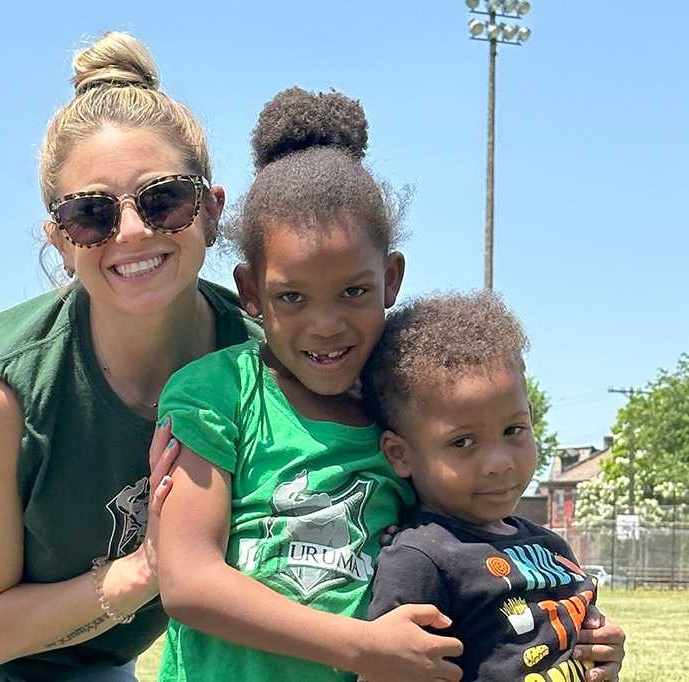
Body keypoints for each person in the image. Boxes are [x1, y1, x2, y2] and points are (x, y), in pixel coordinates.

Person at [154, 88, 626, 682]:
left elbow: (479, 567)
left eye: (353, 291)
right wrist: (360, 647)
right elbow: (188, 582)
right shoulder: (218, 393)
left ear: (391, 279)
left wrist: (581, 646)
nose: (325, 324)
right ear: (250, 293)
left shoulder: (410, 409)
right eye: (291, 296)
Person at [0, 31, 261, 681]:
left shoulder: (261, 364)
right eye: (92, 214)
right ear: (61, 240)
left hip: (89, 648)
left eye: (163, 198)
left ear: (210, 210)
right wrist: (151, 565)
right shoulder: (0, 389)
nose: (134, 231)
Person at [360, 290, 618, 682]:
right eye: (462, 442)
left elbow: (584, 649)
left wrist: (604, 652)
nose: (499, 462)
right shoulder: (421, 560)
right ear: (400, 454)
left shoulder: (553, 548)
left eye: (513, 429)